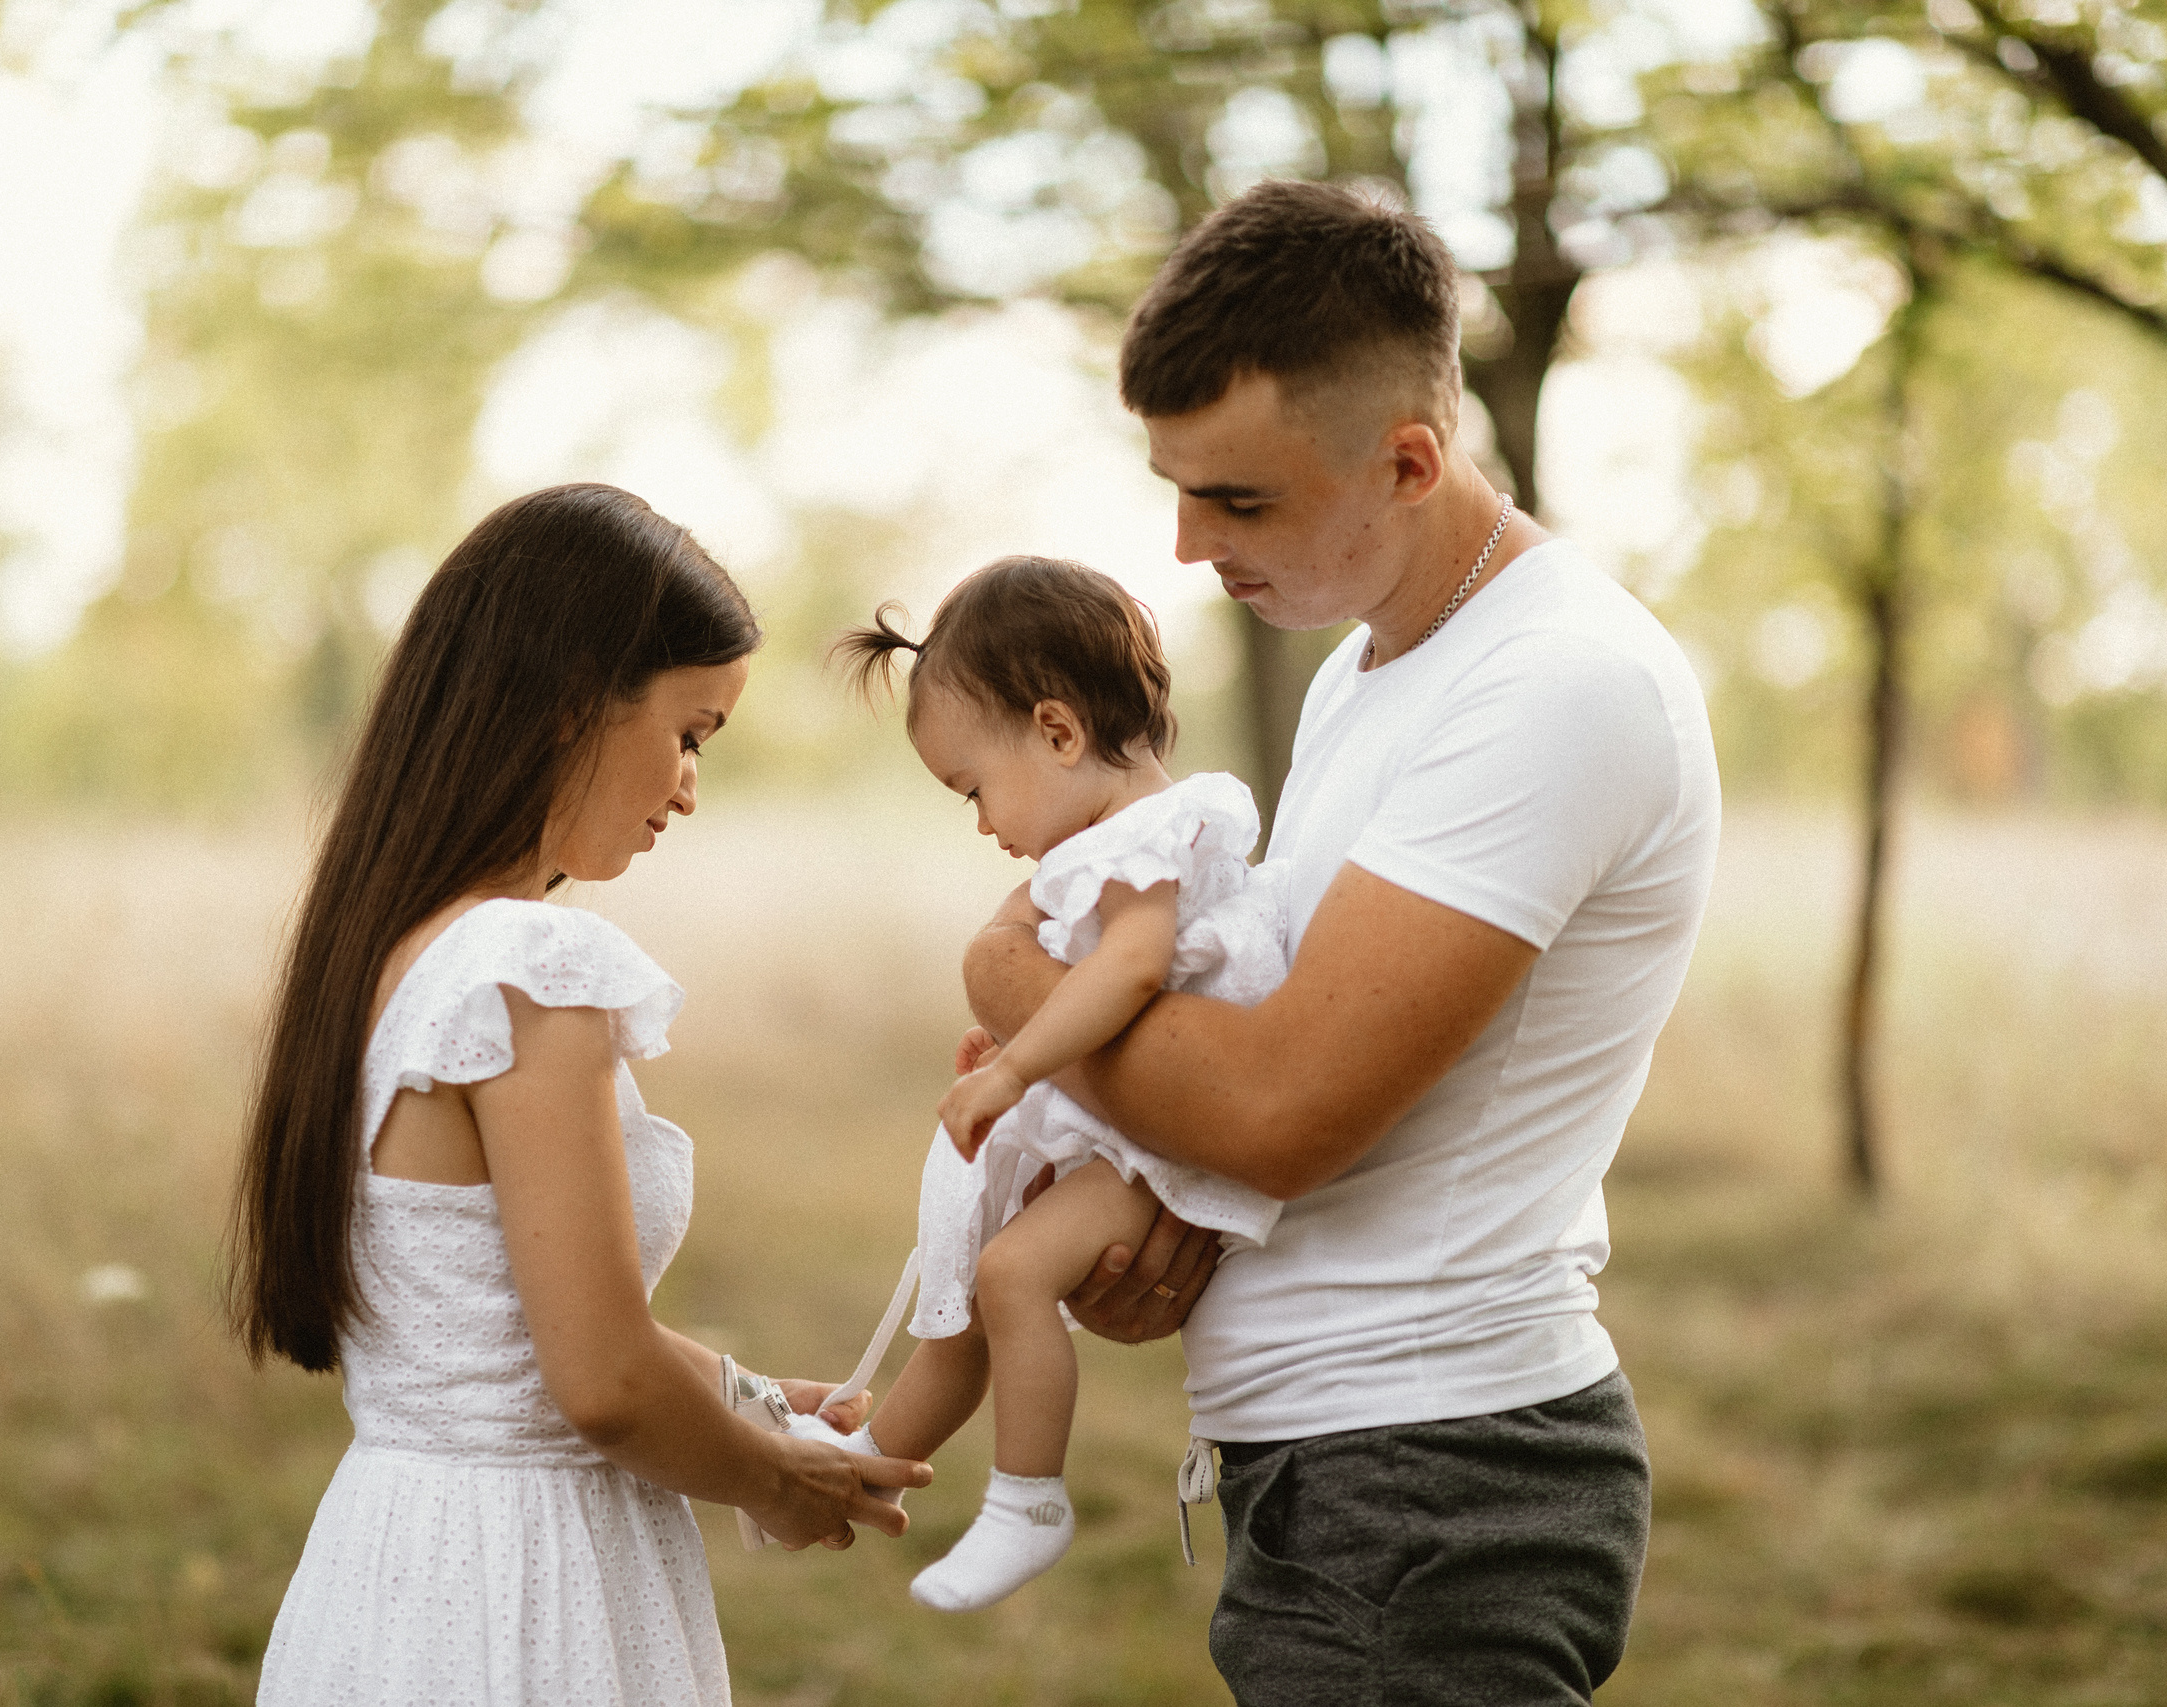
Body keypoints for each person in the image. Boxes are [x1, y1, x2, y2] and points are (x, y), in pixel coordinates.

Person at [964, 181, 1722, 1702]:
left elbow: (1273, 1108)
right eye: (1176, 489)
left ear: (1411, 458)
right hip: (1343, 1460)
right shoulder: (1369, 676)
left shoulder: (1557, 685)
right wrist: (1156, 1228)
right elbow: (1251, 1053)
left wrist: (1005, 975)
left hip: (1434, 1478)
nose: (1186, 545)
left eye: (1238, 500)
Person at [228, 483, 929, 1706]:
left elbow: (499, 1327)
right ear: (569, 706)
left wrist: (757, 1404)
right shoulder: (529, 971)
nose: (689, 787)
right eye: (691, 732)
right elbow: (599, 1380)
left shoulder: (389, 952)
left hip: (388, 1557)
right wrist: (776, 1482)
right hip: (522, 1583)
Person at [825, 557, 1292, 1612]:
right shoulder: (1116, 843)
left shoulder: (1141, 842)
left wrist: (1021, 1067)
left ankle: (1027, 1498)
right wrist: (1012, 1061)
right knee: (976, 1279)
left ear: (1056, 731)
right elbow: (1108, 993)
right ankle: (845, 1468)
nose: (984, 824)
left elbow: (1129, 969)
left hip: (1169, 1139)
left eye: (973, 788)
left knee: (1009, 1276)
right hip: (1133, 1123)